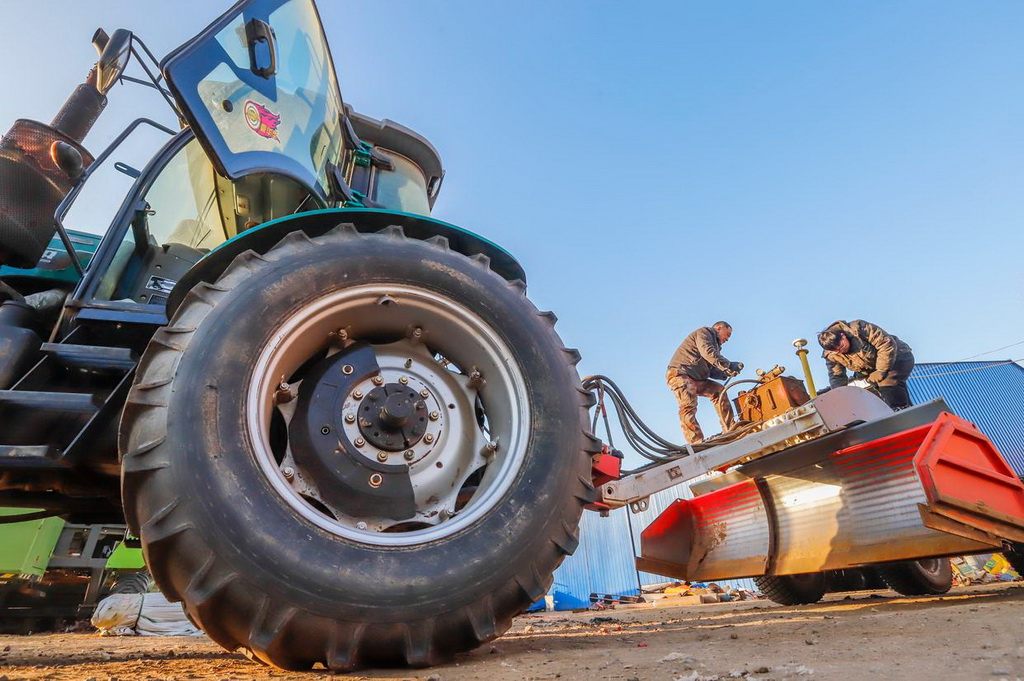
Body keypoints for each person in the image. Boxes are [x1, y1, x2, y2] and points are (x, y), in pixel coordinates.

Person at [666, 321, 743, 444]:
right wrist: (728, 365)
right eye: (728, 334)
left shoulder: (715, 346)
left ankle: (730, 429)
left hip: (695, 377)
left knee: (719, 391)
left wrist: (726, 372)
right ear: (719, 328)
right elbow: (707, 352)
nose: (728, 339)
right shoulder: (704, 332)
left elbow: (711, 369)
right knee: (688, 404)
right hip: (680, 374)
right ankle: (696, 442)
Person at [817, 319, 915, 410]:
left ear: (843, 336)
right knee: (887, 394)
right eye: (836, 351)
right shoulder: (831, 355)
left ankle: (899, 412)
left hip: (898, 356)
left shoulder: (859, 328)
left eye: (841, 346)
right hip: (874, 371)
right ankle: (908, 412)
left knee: (887, 385)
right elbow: (837, 377)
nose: (840, 351)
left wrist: (881, 370)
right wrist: (840, 395)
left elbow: (886, 344)